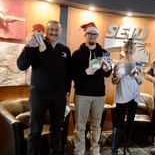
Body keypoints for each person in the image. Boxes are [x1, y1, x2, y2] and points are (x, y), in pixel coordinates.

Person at [17, 21, 71, 155]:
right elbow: (21, 65)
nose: (53, 32)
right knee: (35, 130)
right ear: (46, 31)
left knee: (57, 128)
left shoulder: (65, 50)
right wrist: (29, 45)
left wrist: (68, 92)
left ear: (61, 32)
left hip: (59, 95)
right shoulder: (36, 45)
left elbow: (68, 73)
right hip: (39, 94)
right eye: (51, 29)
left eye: (56, 30)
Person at [72, 22, 112, 155]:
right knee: (80, 126)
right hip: (82, 95)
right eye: (89, 33)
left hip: (99, 95)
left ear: (97, 36)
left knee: (96, 125)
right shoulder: (77, 54)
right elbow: (72, 74)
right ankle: (79, 150)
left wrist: (108, 68)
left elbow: (106, 74)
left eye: (94, 34)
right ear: (85, 35)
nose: (92, 36)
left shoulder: (103, 53)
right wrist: (85, 72)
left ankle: (95, 149)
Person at [111, 38, 143, 155]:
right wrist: (118, 76)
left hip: (134, 96)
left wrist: (138, 75)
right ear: (123, 49)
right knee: (118, 122)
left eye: (131, 48)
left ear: (134, 50)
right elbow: (113, 82)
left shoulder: (137, 63)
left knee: (130, 121)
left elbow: (140, 82)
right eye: (127, 48)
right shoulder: (118, 63)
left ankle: (126, 145)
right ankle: (114, 149)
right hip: (122, 95)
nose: (129, 50)